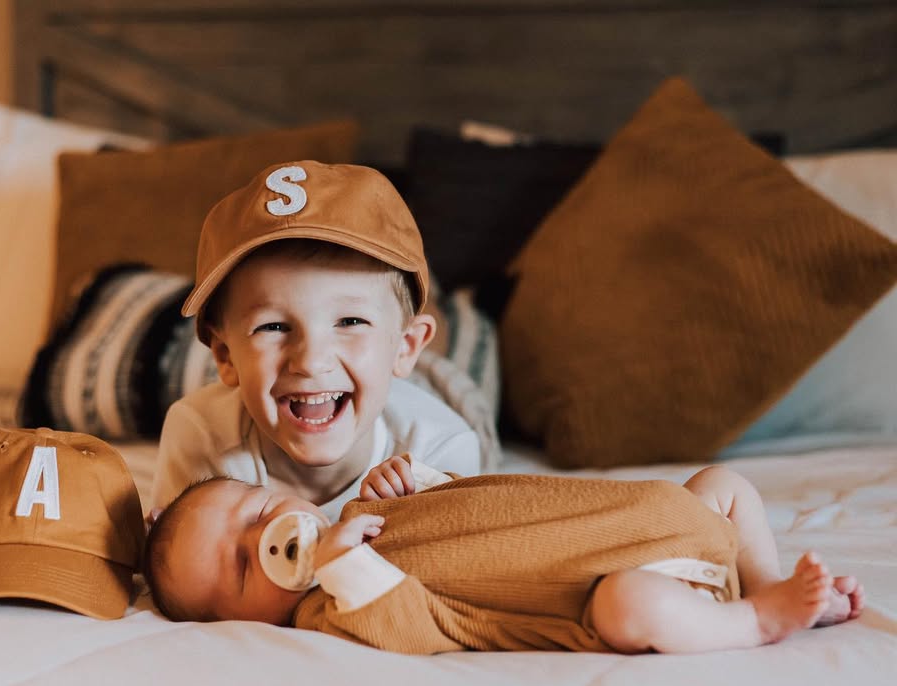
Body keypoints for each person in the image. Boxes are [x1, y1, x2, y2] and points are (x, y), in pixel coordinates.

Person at [143, 458, 865, 655]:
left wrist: (419, 482)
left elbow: (488, 507)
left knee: (724, 484)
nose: (264, 535)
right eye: (243, 565)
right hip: (642, 585)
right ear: (236, 621)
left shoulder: (365, 512)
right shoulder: (333, 611)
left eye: (256, 508)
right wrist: (339, 563)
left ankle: (770, 580)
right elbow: (412, 622)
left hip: (656, 518)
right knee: (625, 605)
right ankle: (757, 618)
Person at [149, 161, 482, 521]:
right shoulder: (200, 437)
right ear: (225, 355)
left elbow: (459, 569)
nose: (309, 360)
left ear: (407, 346)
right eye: (273, 326)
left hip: (426, 392)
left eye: (350, 321)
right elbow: (173, 569)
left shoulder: (440, 449)